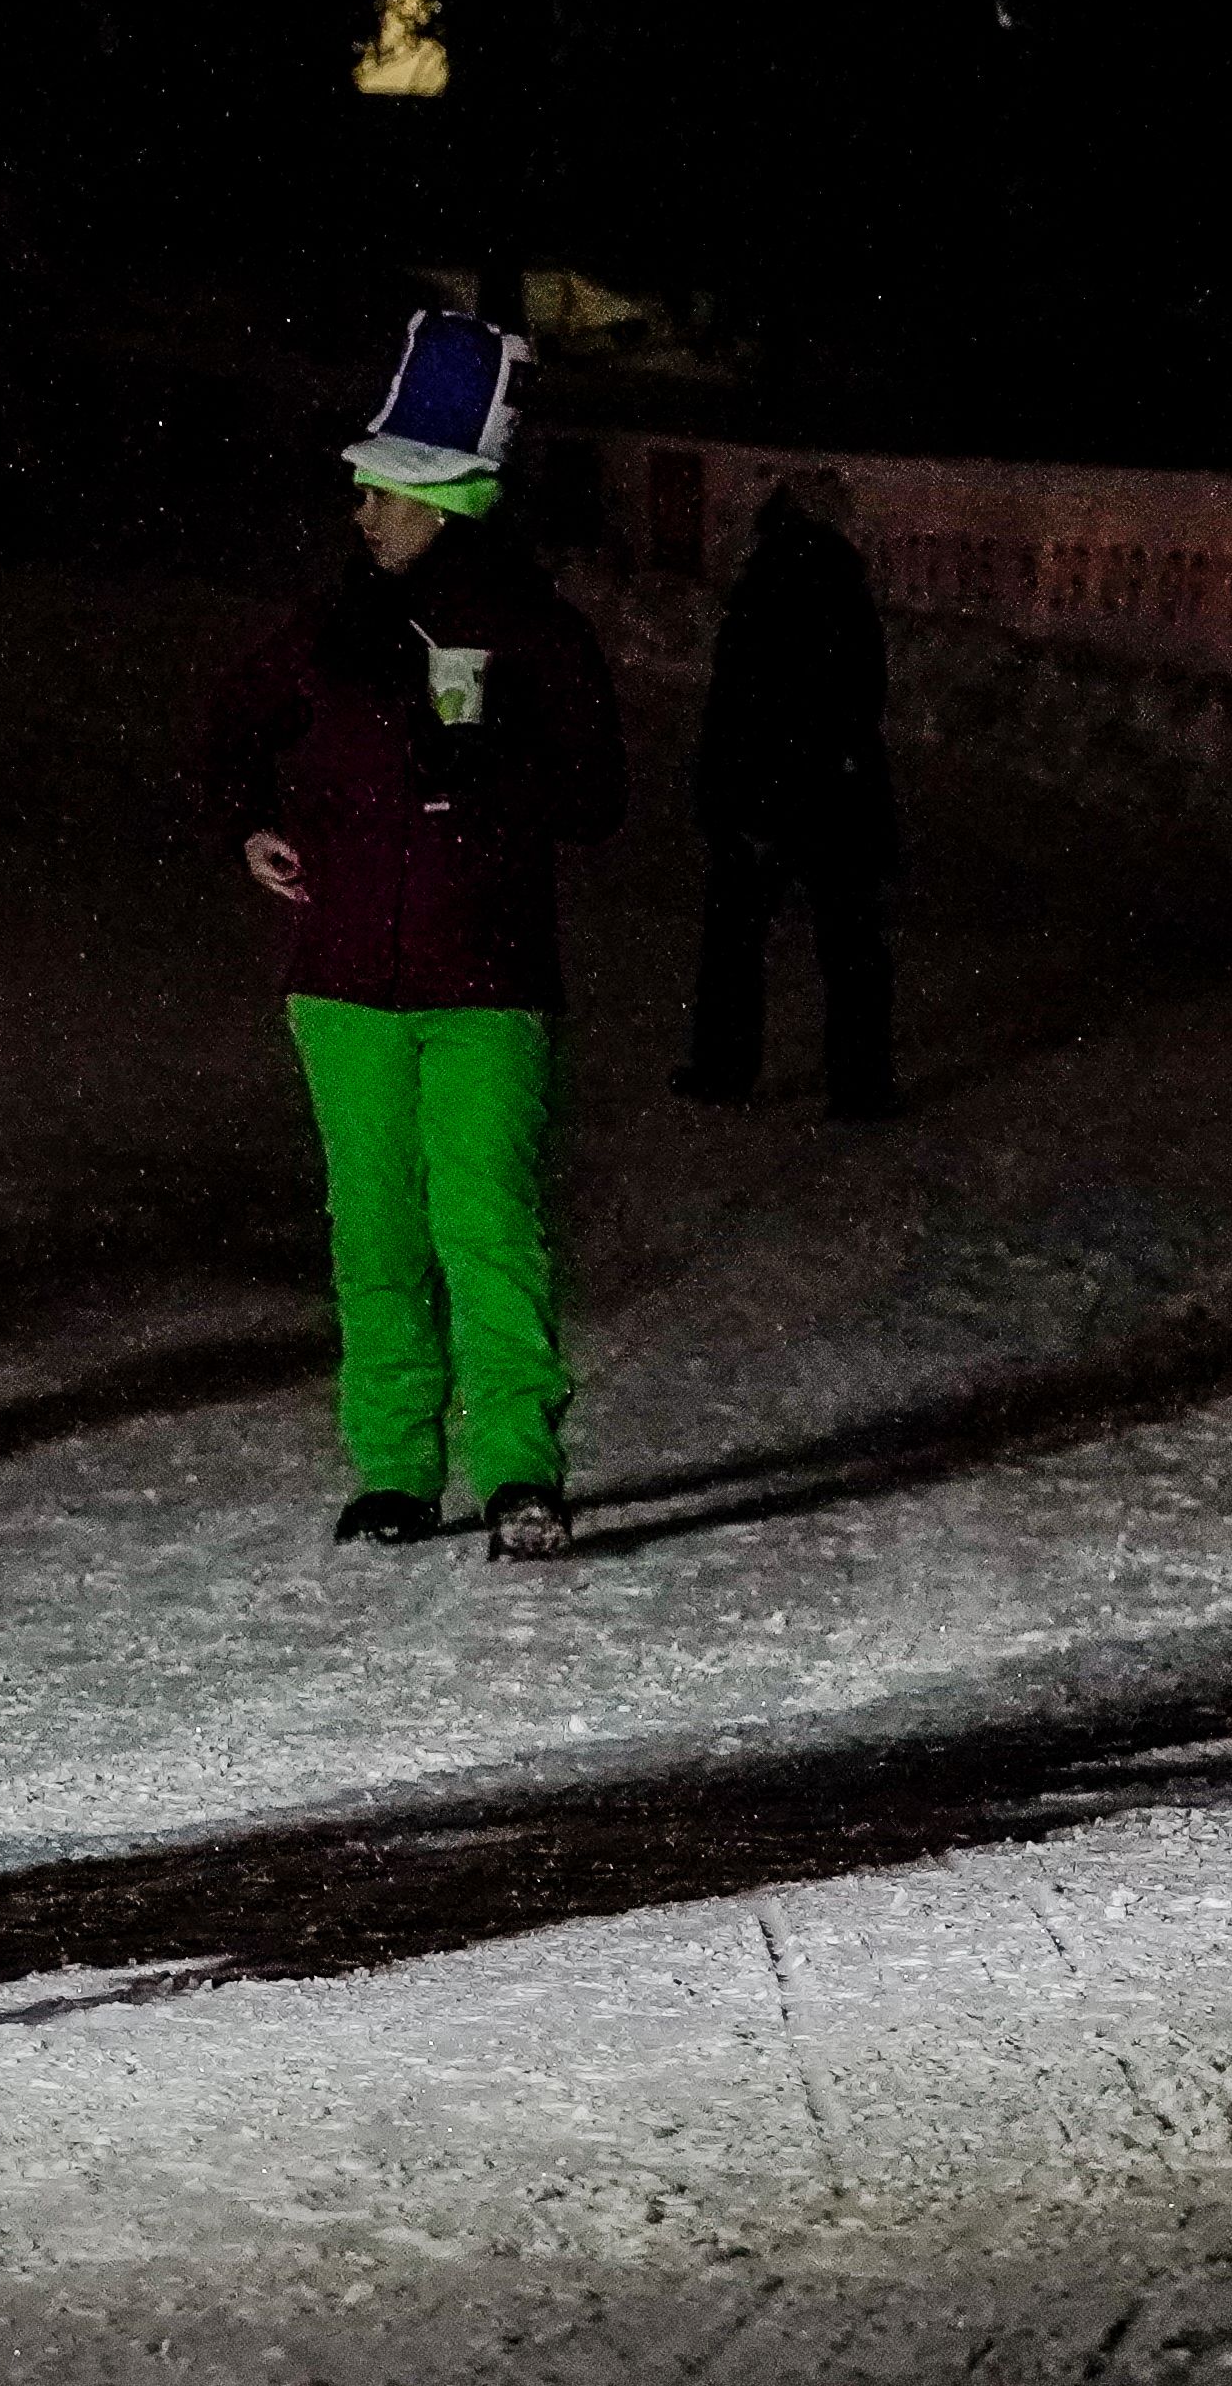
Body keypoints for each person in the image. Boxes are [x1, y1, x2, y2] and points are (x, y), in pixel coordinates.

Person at [198, 311, 626, 1564]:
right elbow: (230, 726)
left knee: (486, 1229)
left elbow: (598, 796)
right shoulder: (332, 628)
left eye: (380, 495)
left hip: (488, 985)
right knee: (375, 1232)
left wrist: (496, 764)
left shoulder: (537, 629)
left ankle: (519, 1469)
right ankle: (395, 1470)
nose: (363, 515)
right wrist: (248, 824)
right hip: (343, 986)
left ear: (439, 503)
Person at [676, 468, 900, 1119]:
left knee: (735, 938)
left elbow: (735, 701)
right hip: (835, 790)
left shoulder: (763, 584)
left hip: (762, 790)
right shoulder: (843, 585)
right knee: (850, 943)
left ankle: (724, 1068)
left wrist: (729, 793)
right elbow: (863, 693)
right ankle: (860, 1086)